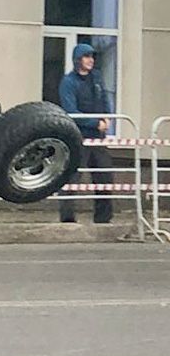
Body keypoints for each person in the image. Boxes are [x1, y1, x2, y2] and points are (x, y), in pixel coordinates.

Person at [58, 43, 113, 224]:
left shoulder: (96, 78)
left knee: (104, 175)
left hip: (98, 138)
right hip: (77, 136)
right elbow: (70, 111)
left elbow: (104, 99)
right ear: (77, 59)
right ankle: (67, 219)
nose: (90, 60)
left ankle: (103, 219)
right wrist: (95, 122)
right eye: (86, 56)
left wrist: (107, 118)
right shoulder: (68, 81)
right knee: (72, 177)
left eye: (92, 56)